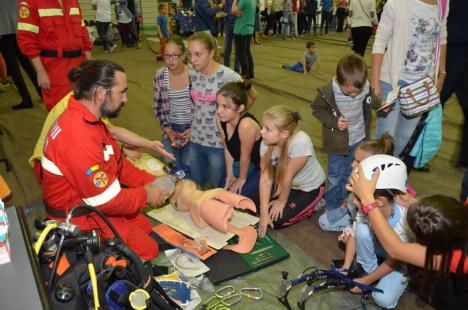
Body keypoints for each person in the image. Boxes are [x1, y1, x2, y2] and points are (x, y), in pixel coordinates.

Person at [41, 60, 167, 261]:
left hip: (91, 201)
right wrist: (146, 196)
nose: (125, 99)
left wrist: (154, 182)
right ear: (100, 92)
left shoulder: (90, 120)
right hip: (78, 215)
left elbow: (119, 166)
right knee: (148, 250)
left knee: (143, 227)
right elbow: (106, 201)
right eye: (121, 92)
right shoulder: (79, 138)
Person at [348, 169, 468, 308]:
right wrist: (414, 202)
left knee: (442, 296)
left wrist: (368, 201)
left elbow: (396, 249)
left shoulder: (456, 258)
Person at [311, 54, 382, 232]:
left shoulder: (363, 87)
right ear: (338, 79)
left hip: (358, 139)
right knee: (335, 177)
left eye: (355, 92)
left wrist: (380, 104)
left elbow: (371, 98)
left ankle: (347, 204)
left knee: (352, 174)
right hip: (337, 142)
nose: (352, 95)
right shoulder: (328, 91)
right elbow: (317, 109)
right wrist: (334, 123)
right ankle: (333, 207)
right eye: (347, 92)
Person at [372, 0, 449, 158]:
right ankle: (372, 177)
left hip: (421, 86)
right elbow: (380, 41)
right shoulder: (397, 3)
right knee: (385, 138)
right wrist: (374, 82)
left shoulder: (443, 3)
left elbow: (442, 38)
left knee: (404, 138)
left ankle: (390, 176)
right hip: (391, 82)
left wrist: (441, 72)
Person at [339, 155, 410, 308]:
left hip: (398, 260)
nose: (354, 201)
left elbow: (395, 257)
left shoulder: (404, 224)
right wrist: (345, 267)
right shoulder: (365, 209)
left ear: (378, 202)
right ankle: (369, 270)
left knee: (382, 299)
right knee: (362, 229)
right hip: (383, 250)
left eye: (357, 198)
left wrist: (367, 281)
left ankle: (373, 275)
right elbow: (354, 233)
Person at [188, 32, 257, 188]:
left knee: (215, 188)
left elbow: (252, 95)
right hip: (195, 140)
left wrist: (235, 121)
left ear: (212, 53)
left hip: (218, 145)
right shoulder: (192, 72)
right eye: (190, 54)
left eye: (198, 54)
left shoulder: (228, 75)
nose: (192, 60)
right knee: (196, 185)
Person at [257, 105, 326, 237]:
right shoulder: (265, 143)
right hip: (285, 183)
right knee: (256, 204)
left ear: (284, 134)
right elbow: (265, 179)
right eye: (262, 127)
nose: (261, 132)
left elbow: (287, 177)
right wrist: (264, 213)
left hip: (308, 188)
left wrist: (281, 202)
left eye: (267, 129)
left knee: (277, 221)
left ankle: (318, 201)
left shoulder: (301, 141)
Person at [17, 0, 92, 111]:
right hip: (54, 69)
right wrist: (40, 71)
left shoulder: (73, 1)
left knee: (87, 107)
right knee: (60, 111)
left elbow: (83, 32)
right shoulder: (30, 2)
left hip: (80, 65)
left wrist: (91, 65)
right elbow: (27, 39)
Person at [320, 134, 395, 233]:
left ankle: (351, 231)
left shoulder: (380, 192)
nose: (352, 164)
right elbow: (351, 196)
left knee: (326, 223)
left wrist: (351, 232)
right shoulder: (358, 176)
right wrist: (346, 202)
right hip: (353, 212)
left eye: (358, 161)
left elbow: (371, 219)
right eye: (354, 159)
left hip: (367, 221)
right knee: (323, 220)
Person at [154, 36, 192, 176]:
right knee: (169, 164)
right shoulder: (160, 76)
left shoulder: (194, 74)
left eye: (175, 56)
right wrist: (167, 128)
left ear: (183, 56)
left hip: (192, 128)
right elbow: (158, 106)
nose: (170, 60)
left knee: (188, 167)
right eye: (167, 56)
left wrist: (193, 129)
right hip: (172, 128)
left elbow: (203, 107)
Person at [216, 80, 262, 197]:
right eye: (218, 105)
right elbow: (227, 149)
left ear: (240, 108)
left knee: (238, 195)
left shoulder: (246, 125)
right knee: (221, 188)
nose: (219, 111)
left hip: (261, 167)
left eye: (225, 107)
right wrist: (229, 175)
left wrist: (241, 179)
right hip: (245, 163)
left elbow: (245, 155)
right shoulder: (221, 119)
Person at [232, 0, 256, 79]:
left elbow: (232, 11)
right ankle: (250, 74)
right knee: (247, 52)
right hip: (249, 28)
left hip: (241, 29)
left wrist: (235, 1)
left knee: (241, 54)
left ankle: (245, 75)